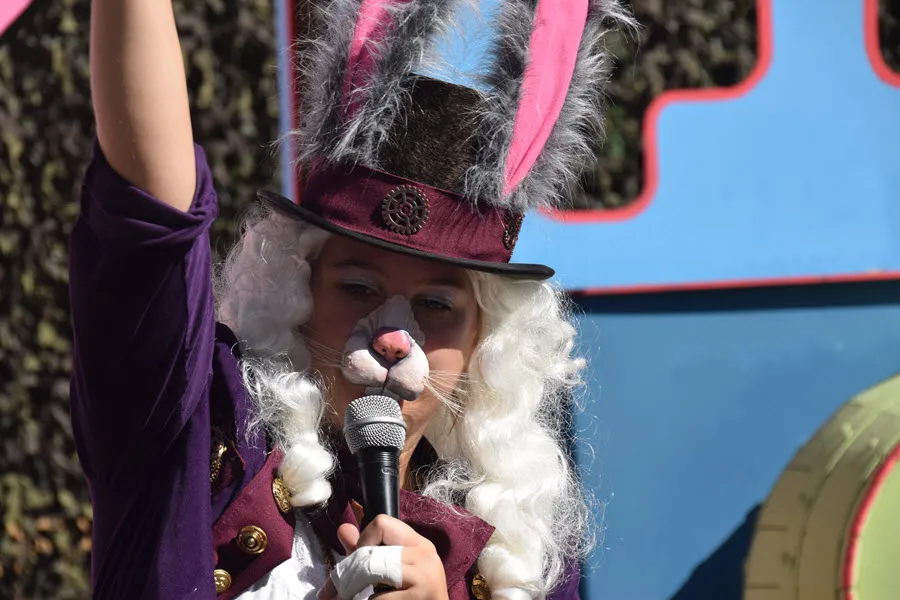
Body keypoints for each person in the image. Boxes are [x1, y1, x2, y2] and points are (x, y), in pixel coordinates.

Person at [69, 0, 635, 599]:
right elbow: (148, 227)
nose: (394, 338)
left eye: (437, 305)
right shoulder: (199, 436)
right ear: (298, 292)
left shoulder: (513, 559)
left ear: (482, 341)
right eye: (358, 288)